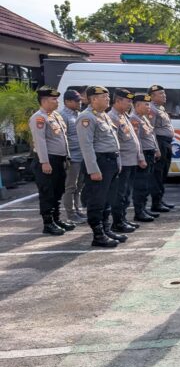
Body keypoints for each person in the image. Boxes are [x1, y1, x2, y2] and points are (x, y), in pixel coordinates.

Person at [77, 86, 124, 247]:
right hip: (99, 162)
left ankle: (106, 229)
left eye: (107, 96)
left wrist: (118, 163)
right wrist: (93, 169)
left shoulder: (104, 116)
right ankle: (98, 235)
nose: (107, 99)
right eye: (104, 96)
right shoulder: (87, 118)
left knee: (107, 199)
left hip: (110, 161)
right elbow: (86, 145)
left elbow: (113, 143)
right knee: (97, 200)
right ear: (93, 99)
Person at [29, 86, 73, 235]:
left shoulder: (55, 116)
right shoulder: (39, 117)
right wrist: (45, 162)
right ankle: (48, 223)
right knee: (47, 192)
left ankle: (56, 219)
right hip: (48, 161)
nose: (57, 102)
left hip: (59, 160)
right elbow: (40, 141)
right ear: (44, 101)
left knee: (58, 190)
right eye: (54, 99)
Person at [107, 89, 146, 234]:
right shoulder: (112, 117)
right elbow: (114, 143)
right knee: (119, 194)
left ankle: (123, 219)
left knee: (126, 192)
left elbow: (135, 139)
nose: (130, 104)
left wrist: (139, 157)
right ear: (117, 101)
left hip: (131, 161)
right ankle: (117, 222)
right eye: (128, 101)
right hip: (122, 162)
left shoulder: (124, 116)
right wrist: (118, 163)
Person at [130, 93, 161, 223]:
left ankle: (143, 208)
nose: (149, 106)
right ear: (137, 105)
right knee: (140, 185)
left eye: (149, 104)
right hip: (143, 154)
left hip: (149, 153)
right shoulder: (134, 119)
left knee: (147, 184)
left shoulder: (144, 118)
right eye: (146, 104)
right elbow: (137, 141)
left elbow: (151, 136)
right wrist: (141, 157)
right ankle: (139, 212)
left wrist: (156, 149)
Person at [59, 89, 86, 223]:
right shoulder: (63, 115)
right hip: (72, 157)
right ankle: (71, 214)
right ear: (67, 102)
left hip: (81, 155)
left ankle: (78, 210)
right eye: (77, 101)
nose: (80, 103)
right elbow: (62, 138)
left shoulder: (79, 115)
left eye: (80, 100)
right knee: (70, 187)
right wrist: (66, 157)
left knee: (79, 186)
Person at [147, 85, 175, 213]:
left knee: (163, 173)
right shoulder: (151, 109)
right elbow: (150, 130)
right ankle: (156, 203)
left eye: (164, 93)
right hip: (160, 142)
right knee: (157, 174)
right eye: (160, 94)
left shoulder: (161, 108)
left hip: (166, 143)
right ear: (152, 96)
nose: (164, 96)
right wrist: (156, 148)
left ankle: (160, 199)